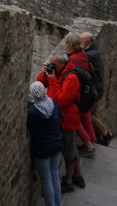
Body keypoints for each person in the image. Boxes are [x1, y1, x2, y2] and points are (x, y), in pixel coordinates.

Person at [36, 51, 86, 192]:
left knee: (69, 152)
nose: (51, 66)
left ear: (61, 64)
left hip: (68, 121)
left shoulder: (71, 78)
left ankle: (69, 181)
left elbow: (62, 100)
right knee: (71, 148)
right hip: (58, 118)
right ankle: (78, 175)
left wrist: (52, 79)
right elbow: (38, 85)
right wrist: (45, 72)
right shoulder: (56, 71)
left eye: (53, 64)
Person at [26, 80, 63, 206]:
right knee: (54, 175)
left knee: (46, 178)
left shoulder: (33, 112)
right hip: (56, 143)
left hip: (42, 148)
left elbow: (29, 128)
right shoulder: (53, 103)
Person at [63, 33, 97, 156]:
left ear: (71, 46)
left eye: (67, 46)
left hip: (79, 94)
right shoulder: (83, 54)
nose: (65, 48)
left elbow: (69, 74)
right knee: (86, 116)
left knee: (74, 120)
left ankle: (89, 146)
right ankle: (92, 140)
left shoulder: (73, 59)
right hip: (87, 91)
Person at [80, 31, 114, 145]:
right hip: (97, 88)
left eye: (81, 41)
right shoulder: (94, 50)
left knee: (88, 114)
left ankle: (106, 133)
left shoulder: (90, 55)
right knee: (94, 113)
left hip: (94, 89)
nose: (79, 43)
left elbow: (79, 57)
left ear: (88, 43)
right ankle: (98, 137)